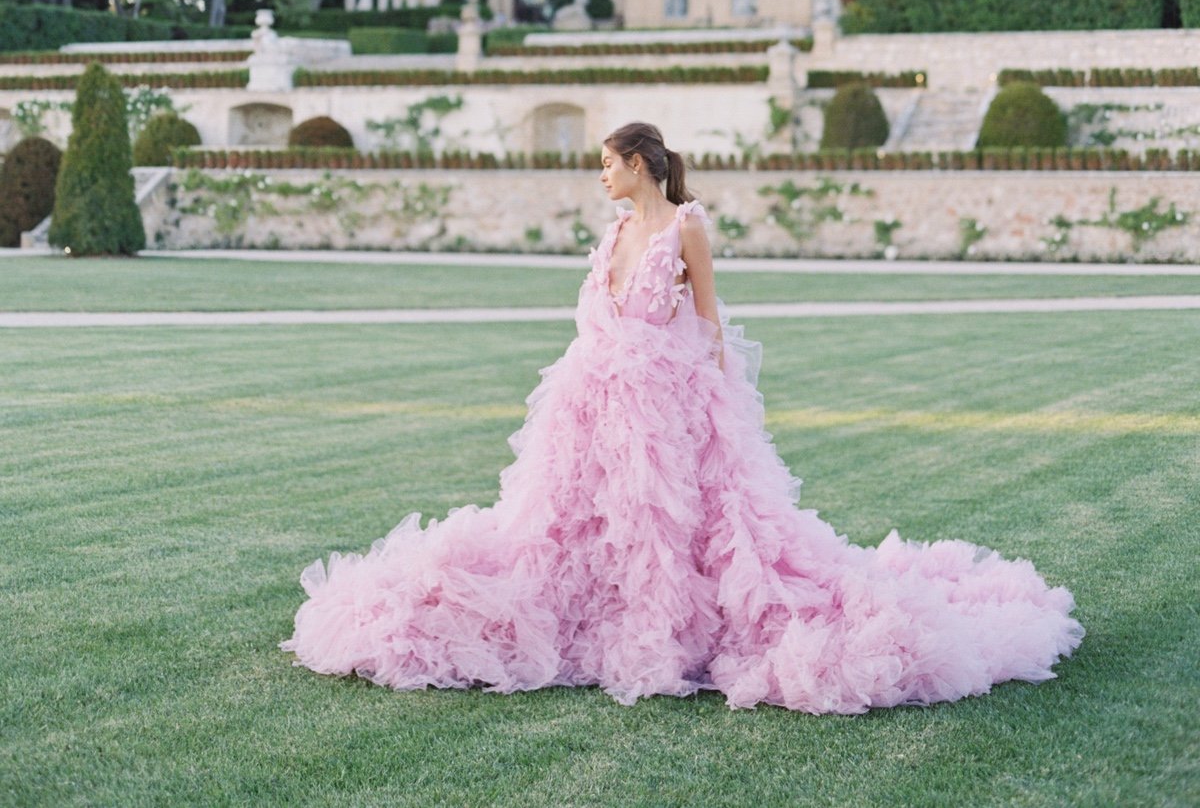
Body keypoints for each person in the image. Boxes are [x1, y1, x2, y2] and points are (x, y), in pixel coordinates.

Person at [281, 121, 1083, 712]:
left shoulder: (686, 226)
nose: (600, 177)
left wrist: (715, 409)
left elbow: (709, 321)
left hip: (668, 401)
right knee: (574, 528)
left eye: (607, 164)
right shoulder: (618, 228)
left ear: (639, 164)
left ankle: (672, 634)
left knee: (678, 529)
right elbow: (595, 314)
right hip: (595, 401)